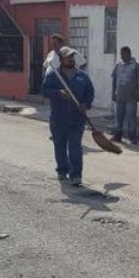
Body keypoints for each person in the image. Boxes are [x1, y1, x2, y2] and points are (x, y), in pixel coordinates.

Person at [41, 46, 94, 186]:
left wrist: (85, 104)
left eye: (72, 56)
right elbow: (45, 90)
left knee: (75, 147)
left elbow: (90, 92)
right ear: (61, 59)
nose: (70, 59)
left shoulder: (82, 76)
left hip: (77, 119)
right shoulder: (53, 75)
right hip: (58, 118)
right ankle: (62, 171)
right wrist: (59, 93)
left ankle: (76, 175)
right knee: (59, 146)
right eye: (67, 57)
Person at [110, 46, 139, 144]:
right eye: (121, 54)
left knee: (131, 118)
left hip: (131, 97)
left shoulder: (136, 66)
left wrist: (136, 89)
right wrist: (113, 92)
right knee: (119, 117)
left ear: (129, 54)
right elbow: (114, 80)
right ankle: (118, 135)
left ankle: (132, 137)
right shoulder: (118, 65)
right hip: (119, 96)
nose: (121, 56)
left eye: (123, 54)